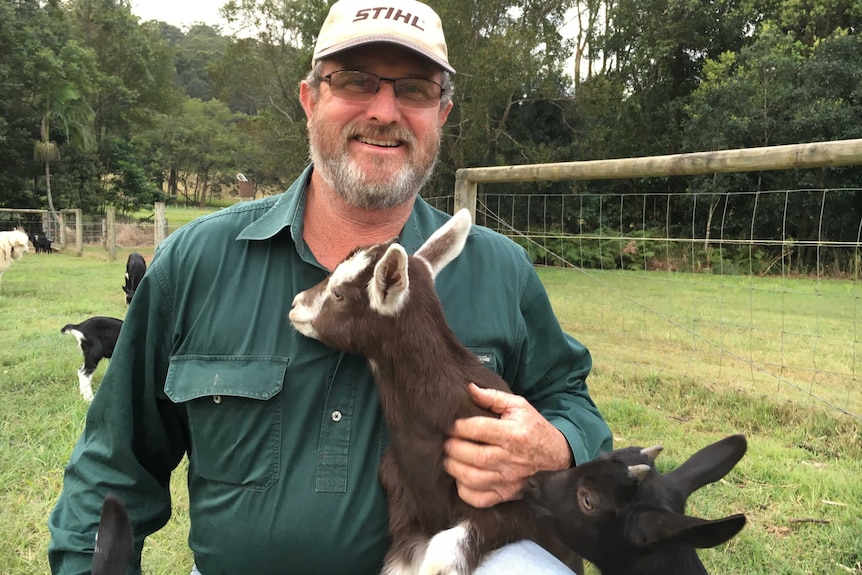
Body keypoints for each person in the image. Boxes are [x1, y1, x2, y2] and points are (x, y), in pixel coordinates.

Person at [47, 1, 613, 574]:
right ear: (310, 97)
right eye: (354, 80)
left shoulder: (500, 270)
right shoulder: (198, 261)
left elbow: (570, 403)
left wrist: (556, 445)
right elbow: (113, 466)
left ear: (441, 112)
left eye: (415, 89)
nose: (385, 111)